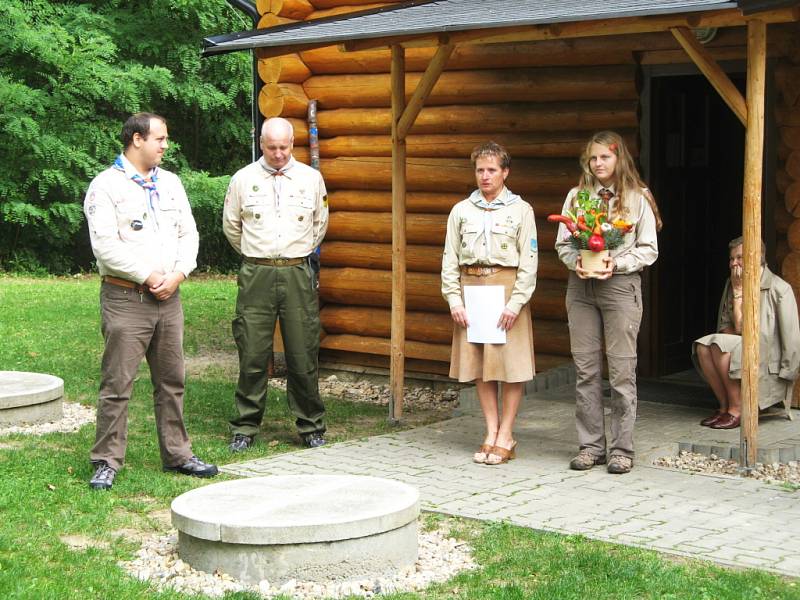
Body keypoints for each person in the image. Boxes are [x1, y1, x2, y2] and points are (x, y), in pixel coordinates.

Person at [83, 112, 218, 490]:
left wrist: (177, 275)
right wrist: (148, 276)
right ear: (137, 139)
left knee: (172, 380)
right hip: (126, 298)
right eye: (159, 138)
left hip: (169, 298)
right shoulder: (106, 186)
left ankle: (178, 454)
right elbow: (106, 247)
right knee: (118, 383)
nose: (165, 145)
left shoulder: (171, 183)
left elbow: (189, 233)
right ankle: (106, 461)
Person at [554, 131, 661, 474]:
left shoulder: (636, 197)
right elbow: (564, 244)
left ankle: (622, 449)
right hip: (581, 289)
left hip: (620, 288)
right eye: (593, 158)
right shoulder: (576, 197)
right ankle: (590, 446)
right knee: (585, 370)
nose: (598, 164)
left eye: (605, 157)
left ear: (619, 159)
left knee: (621, 370)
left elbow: (649, 248)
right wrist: (577, 263)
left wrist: (618, 263)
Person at [223, 117, 329, 452]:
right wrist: (259, 256)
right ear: (261, 145)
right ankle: (245, 426)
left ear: (293, 143)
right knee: (252, 351)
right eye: (272, 148)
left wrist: (293, 254)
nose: (279, 154)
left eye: (284, 147)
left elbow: (319, 225)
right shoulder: (243, 179)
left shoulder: (311, 179)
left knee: (302, 351)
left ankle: (311, 425)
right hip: (257, 272)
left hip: (297, 271)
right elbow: (232, 226)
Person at [441, 141, 538, 465]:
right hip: (472, 288)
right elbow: (449, 259)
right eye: (480, 170)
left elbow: (530, 260)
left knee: (510, 367)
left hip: (506, 289)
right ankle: (491, 431)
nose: (485, 176)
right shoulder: (461, 211)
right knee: (482, 366)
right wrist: (455, 299)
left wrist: (516, 303)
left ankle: (507, 434)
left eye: (492, 170)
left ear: (505, 172)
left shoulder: (521, 210)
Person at [694, 237, 800, 429]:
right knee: (702, 346)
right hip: (739, 349)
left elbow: (791, 336)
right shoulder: (732, 283)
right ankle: (724, 406)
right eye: (732, 259)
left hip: (767, 361)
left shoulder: (779, 288)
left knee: (720, 346)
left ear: (757, 257)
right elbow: (727, 326)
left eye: (740, 258)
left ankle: (737, 409)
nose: (734, 263)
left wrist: (789, 371)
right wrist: (737, 292)